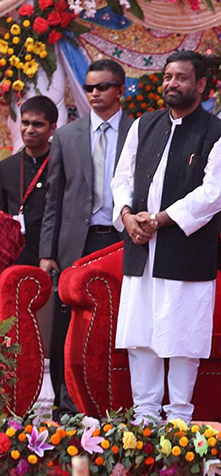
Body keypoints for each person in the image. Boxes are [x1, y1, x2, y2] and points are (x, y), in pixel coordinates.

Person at [111, 51, 221, 423]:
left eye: (181, 78)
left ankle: (178, 420)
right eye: (168, 76)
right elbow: (121, 178)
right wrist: (127, 217)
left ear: (201, 85)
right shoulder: (144, 125)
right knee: (141, 335)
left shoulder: (215, 131)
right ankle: (144, 416)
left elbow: (213, 193)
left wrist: (158, 220)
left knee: (181, 337)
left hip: (186, 249)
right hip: (140, 247)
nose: (172, 83)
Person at [39, 59, 134, 418]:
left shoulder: (138, 131)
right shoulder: (66, 135)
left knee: (121, 320)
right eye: (89, 87)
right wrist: (48, 251)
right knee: (66, 322)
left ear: (120, 90)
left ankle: (115, 401)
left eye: (101, 87)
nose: (93, 93)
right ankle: (65, 404)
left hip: (123, 240)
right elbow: (54, 198)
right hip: (76, 242)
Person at [0, 96, 58, 266]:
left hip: (51, 258)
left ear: (52, 128)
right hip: (15, 258)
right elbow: (4, 212)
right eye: (25, 123)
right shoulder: (6, 166)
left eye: (38, 124)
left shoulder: (62, 164)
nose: (29, 129)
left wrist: (50, 253)